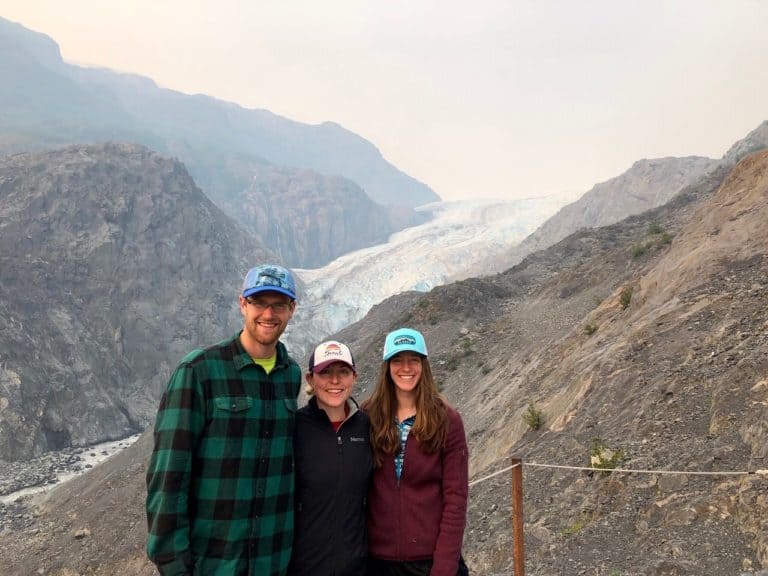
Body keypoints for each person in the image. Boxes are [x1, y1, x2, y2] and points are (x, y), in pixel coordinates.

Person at [146, 264, 302, 576]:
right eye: (259, 303)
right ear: (242, 303)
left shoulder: (291, 375)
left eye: (279, 305)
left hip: (274, 562)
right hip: (214, 565)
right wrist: (174, 565)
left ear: (292, 309)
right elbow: (169, 477)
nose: (268, 314)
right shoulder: (199, 371)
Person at [364, 328, 469, 576]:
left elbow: (455, 499)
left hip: (431, 562)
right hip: (378, 563)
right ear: (387, 367)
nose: (406, 367)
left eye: (413, 359)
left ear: (424, 364)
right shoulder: (369, 416)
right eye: (398, 360)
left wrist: (444, 567)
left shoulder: (447, 420)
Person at [289, 340, 373, 576]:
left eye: (343, 372)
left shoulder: (368, 427)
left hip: (357, 568)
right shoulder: (295, 427)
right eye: (325, 372)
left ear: (354, 377)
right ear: (310, 379)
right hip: (303, 567)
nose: (335, 381)